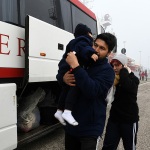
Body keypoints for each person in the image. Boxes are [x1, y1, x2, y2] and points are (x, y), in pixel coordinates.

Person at [57, 33, 117, 150]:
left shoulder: (108, 71)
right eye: (95, 45)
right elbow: (62, 79)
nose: (96, 50)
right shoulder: (83, 59)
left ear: (109, 53)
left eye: (102, 48)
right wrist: (63, 78)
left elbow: (92, 90)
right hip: (72, 126)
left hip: (90, 129)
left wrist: (76, 66)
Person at [54, 23, 98, 126]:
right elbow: (84, 49)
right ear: (88, 33)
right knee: (75, 85)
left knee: (66, 89)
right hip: (70, 67)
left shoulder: (74, 41)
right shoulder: (84, 40)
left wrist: (62, 77)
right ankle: (67, 111)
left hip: (65, 67)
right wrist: (91, 54)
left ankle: (59, 111)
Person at [102, 53, 139, 150]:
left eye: (117, 65)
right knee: (108, 146)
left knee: (129, 147)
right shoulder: (112, 79)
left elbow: (128, 86)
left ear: (124, 66)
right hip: (114, 119)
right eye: (113, 65)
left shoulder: (133, 79)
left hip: (129, 120)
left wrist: (123, 72)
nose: (114, 68)